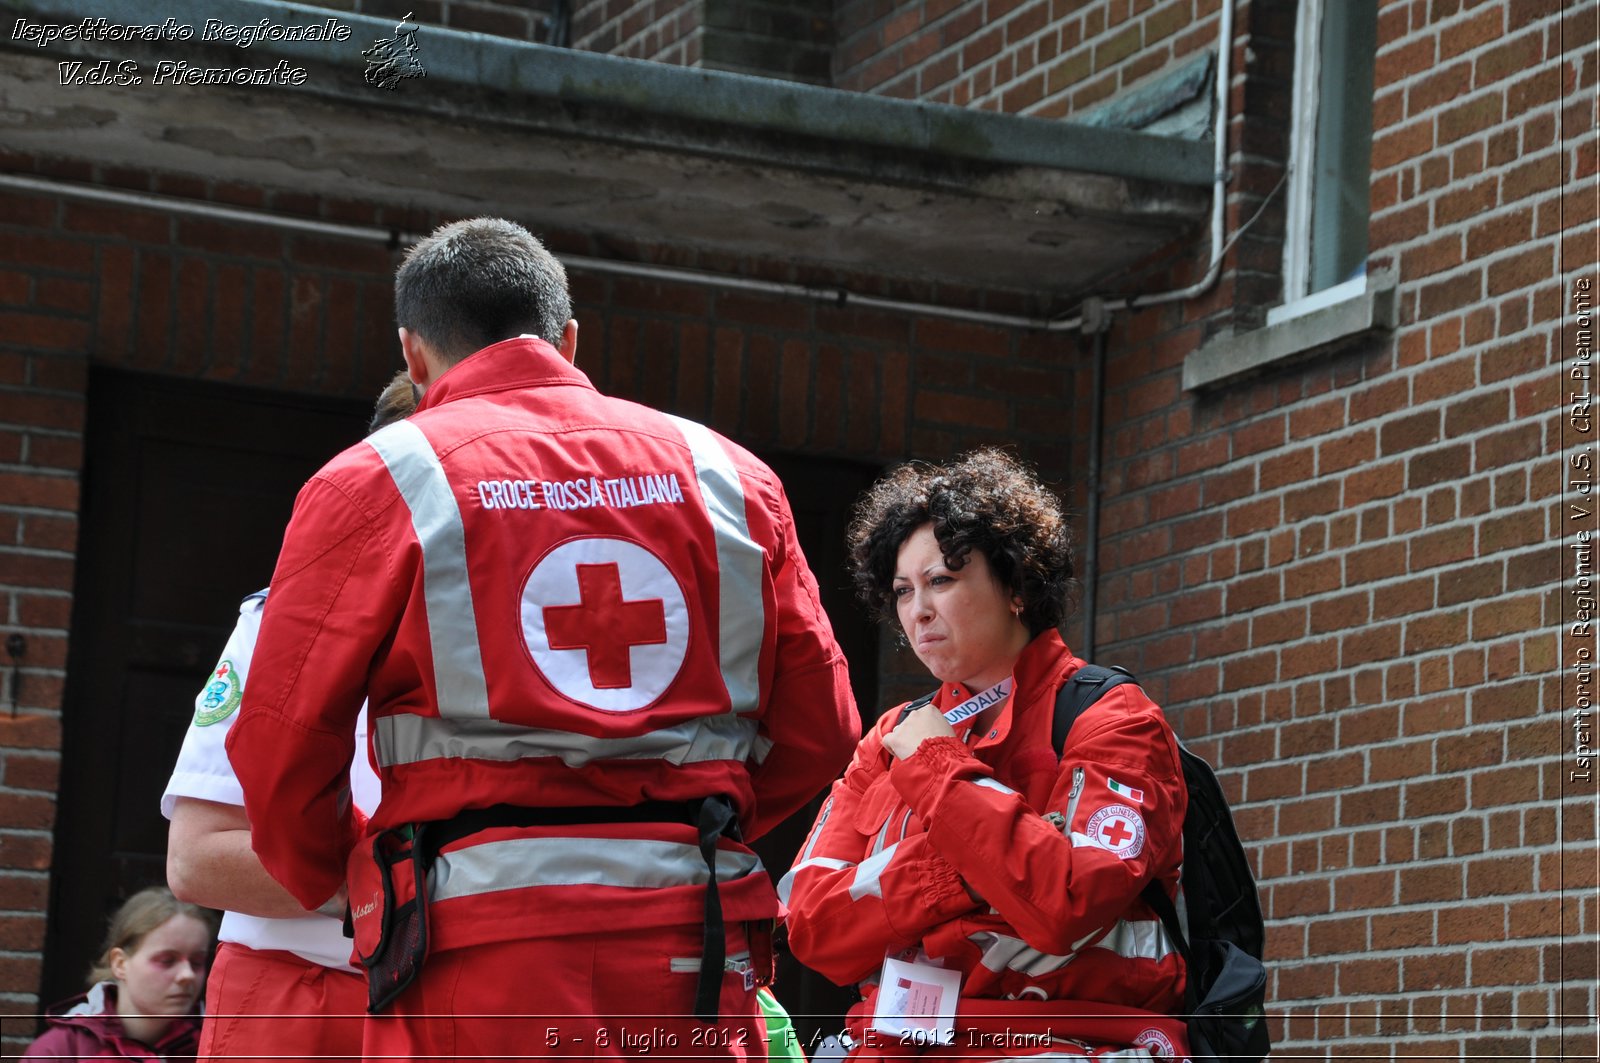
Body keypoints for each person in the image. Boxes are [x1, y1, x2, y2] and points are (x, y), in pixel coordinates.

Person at [226, 217, 860, 1058]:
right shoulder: (732, 478)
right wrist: (684, 815)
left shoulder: (373, 481)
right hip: (697, 948)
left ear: (413, 357)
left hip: (474, 958)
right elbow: (824, 729)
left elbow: (282, 744)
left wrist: (356, 880)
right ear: (568, 340)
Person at [780, 449, 1191, 1061]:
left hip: (1067, 1044)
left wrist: (938, 770)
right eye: (901, 591)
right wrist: (968, 868)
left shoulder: (1114, 719)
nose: (917, 610)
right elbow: (811, 928)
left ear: (1017, 585)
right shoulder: (892, 736)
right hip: (891, 1044)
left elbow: (1065, 903)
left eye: (941, 580)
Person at [160, 372, 415, 1063]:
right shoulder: (280, 620)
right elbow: (196, 859)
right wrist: (383, 894)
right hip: (295, 999)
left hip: (468, 999)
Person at [25, 886, 214, 1061]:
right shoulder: (61, 1051)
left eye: (197, 962)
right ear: (120, 963)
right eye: (167, 960)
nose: (187, 975)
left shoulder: (216, 1045)